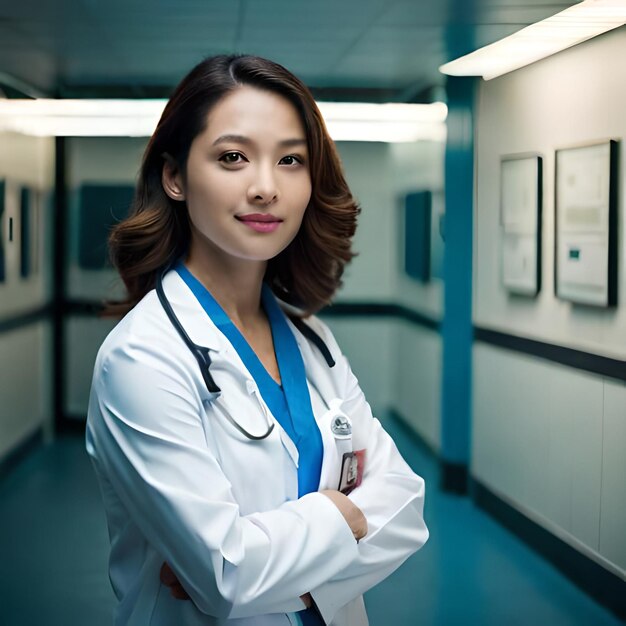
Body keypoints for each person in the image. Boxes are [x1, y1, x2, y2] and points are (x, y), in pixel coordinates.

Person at [86, 54, 428, 626]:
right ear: (174, 176)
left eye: (290, 160)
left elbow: (406, 506)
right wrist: (344, 518)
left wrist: (265, 560)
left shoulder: (313, 340)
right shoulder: (141, 358)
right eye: (233, 157)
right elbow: (229, 577)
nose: (266, 187)